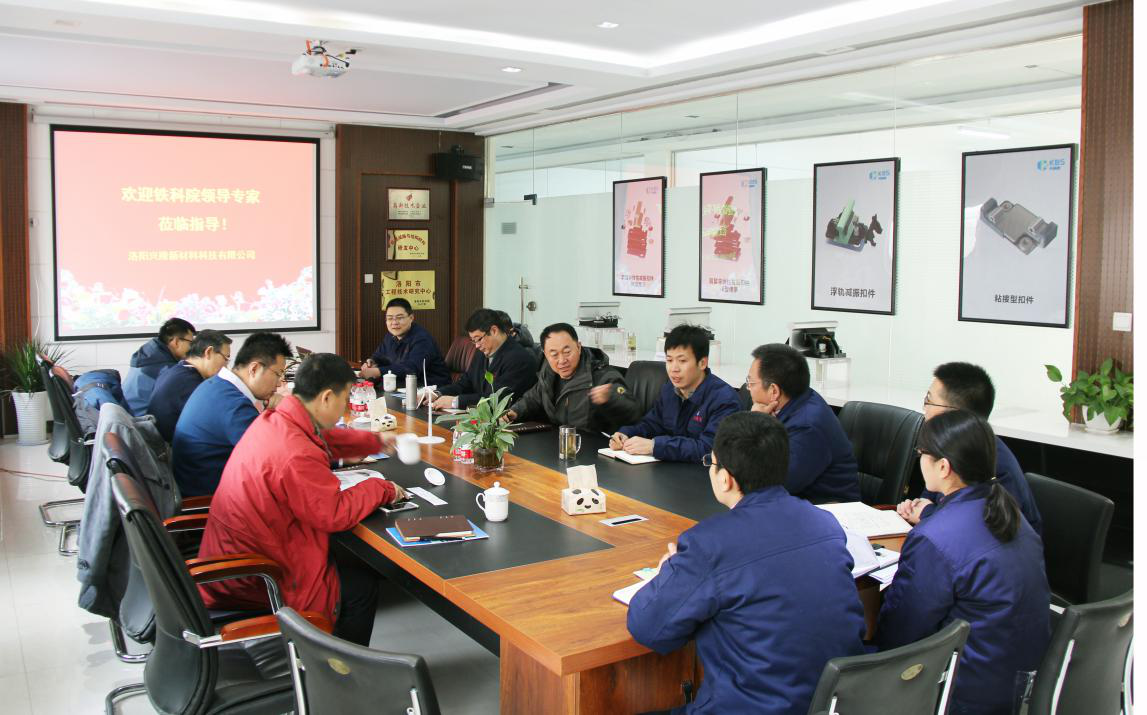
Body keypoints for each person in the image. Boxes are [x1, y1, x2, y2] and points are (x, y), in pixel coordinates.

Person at [627, 412, 866, 714]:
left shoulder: (710, 543)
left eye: (711, 463)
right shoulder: (825, 523)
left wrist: (667, 572)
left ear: (725, 478)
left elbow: (647, 627)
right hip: (835, 703)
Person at [197, 353, 407, 646]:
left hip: (240, 552)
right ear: (326, 397)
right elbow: (333, 514)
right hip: (255, 574)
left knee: (346, 560)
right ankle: (336, 666)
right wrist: (383, 489)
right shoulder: (295, 451)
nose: (346, 406)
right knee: (360, 587)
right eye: (345, 398)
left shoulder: (278, 419)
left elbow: (321, 440)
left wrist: (373, 442)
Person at [877, 410, 1050, 715]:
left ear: (943, 467)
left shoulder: (934, 538)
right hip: (1024, 681)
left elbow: (901, 632)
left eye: (921, 453)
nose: (919, 459)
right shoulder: (1011, 513)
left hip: (965, 692)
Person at [897, 362, 1042, 534]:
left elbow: (978, 531)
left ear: (955, 415)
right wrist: (915, 507)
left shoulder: (992, 463)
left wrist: (927, 513)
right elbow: (931, 497)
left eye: (929, 400)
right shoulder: (948, 447)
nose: (924, 409)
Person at [172, 332, 293, 497]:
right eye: (278, 374)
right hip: (207, 498)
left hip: (200, 484)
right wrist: (286, 412)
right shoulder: (233, 405)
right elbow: (275, 458)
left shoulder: (218, 386)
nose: (279, 383)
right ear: (254, 369)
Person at [745, 343, 860, 502]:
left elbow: (774, 485)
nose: (748, 388)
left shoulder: (808, 426)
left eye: (751, 383)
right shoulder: (796, 399)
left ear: (774, 391)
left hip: (828, 510)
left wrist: (756, 426)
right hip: (798, 503)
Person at [610, 325, 739, 464]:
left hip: (703, 474)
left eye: (682, 361)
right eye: (669, 360)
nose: (674, 369)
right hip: (669, 469)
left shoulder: (724, 400)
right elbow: (651, 424)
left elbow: (709, 449)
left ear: (702, 363)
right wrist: (626, 433)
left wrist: (655, 446)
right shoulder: (669, 389)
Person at [506, 322, 642, 432]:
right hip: (559, 444)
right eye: (554, 354)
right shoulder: (549, 373)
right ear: (545, 354)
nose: (561, 360)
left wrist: (611, 398)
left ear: (578, 347)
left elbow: (634, 414)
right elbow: (533, 398)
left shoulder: (603, 376)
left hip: (594, 449)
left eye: (567, 352)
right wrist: (515, 412)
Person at [431, 308, 537, 409]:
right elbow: (466, 382)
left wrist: (456, 401)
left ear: (494, 331)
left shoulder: (519, 359)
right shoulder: (483, 352)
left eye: (478, 339)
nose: (476, 346)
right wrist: (437, 394)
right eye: (473, 341)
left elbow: (497, 399)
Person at [145, 329, 232, 442]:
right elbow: (213, 423)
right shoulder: (189, 382)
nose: (226, 367)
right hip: (171, 448)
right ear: (209, 352)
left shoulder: (178, 370)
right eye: (226, 358)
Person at [359, 298, 449, 388]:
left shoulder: (422, 339)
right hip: (403, 386)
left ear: (411, 318)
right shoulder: (390, 336)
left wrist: (378, 371)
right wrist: (371, 361)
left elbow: (411, 369)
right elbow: (379, 355)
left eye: (400, 318)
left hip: (431, 388)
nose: (394, 322)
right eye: (390, 318)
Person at [122, 317, 196, 416]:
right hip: (142, 420)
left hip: (128, 414)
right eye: (191, 343)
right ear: (176, 342)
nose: (192, 348)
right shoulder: (165, 368)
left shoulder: (148, 355)